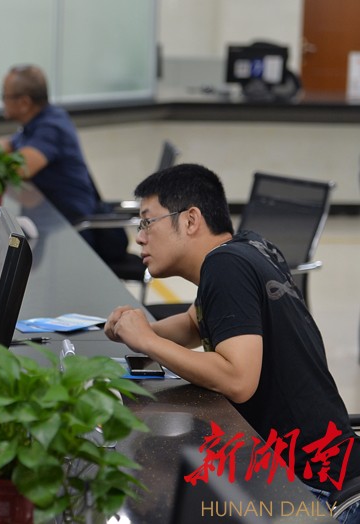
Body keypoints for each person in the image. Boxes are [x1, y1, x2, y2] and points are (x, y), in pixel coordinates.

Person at [104, 163, 359, 522]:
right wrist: (138, 330)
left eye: (147, 222)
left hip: (311, 487)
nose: (140, 238)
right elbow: (195, 322)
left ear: (190, 220)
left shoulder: (224, 267)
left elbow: (238, 379)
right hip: (322, 467)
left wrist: (146, 340)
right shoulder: (249, 247)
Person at [0, 64, 127, 263]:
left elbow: (21, 168)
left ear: (24, 103)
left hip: (73, 230)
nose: (2, 101)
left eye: (5, 96)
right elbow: (7, 145)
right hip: (52, 221)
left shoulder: (51, 126)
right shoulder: (35, 123)